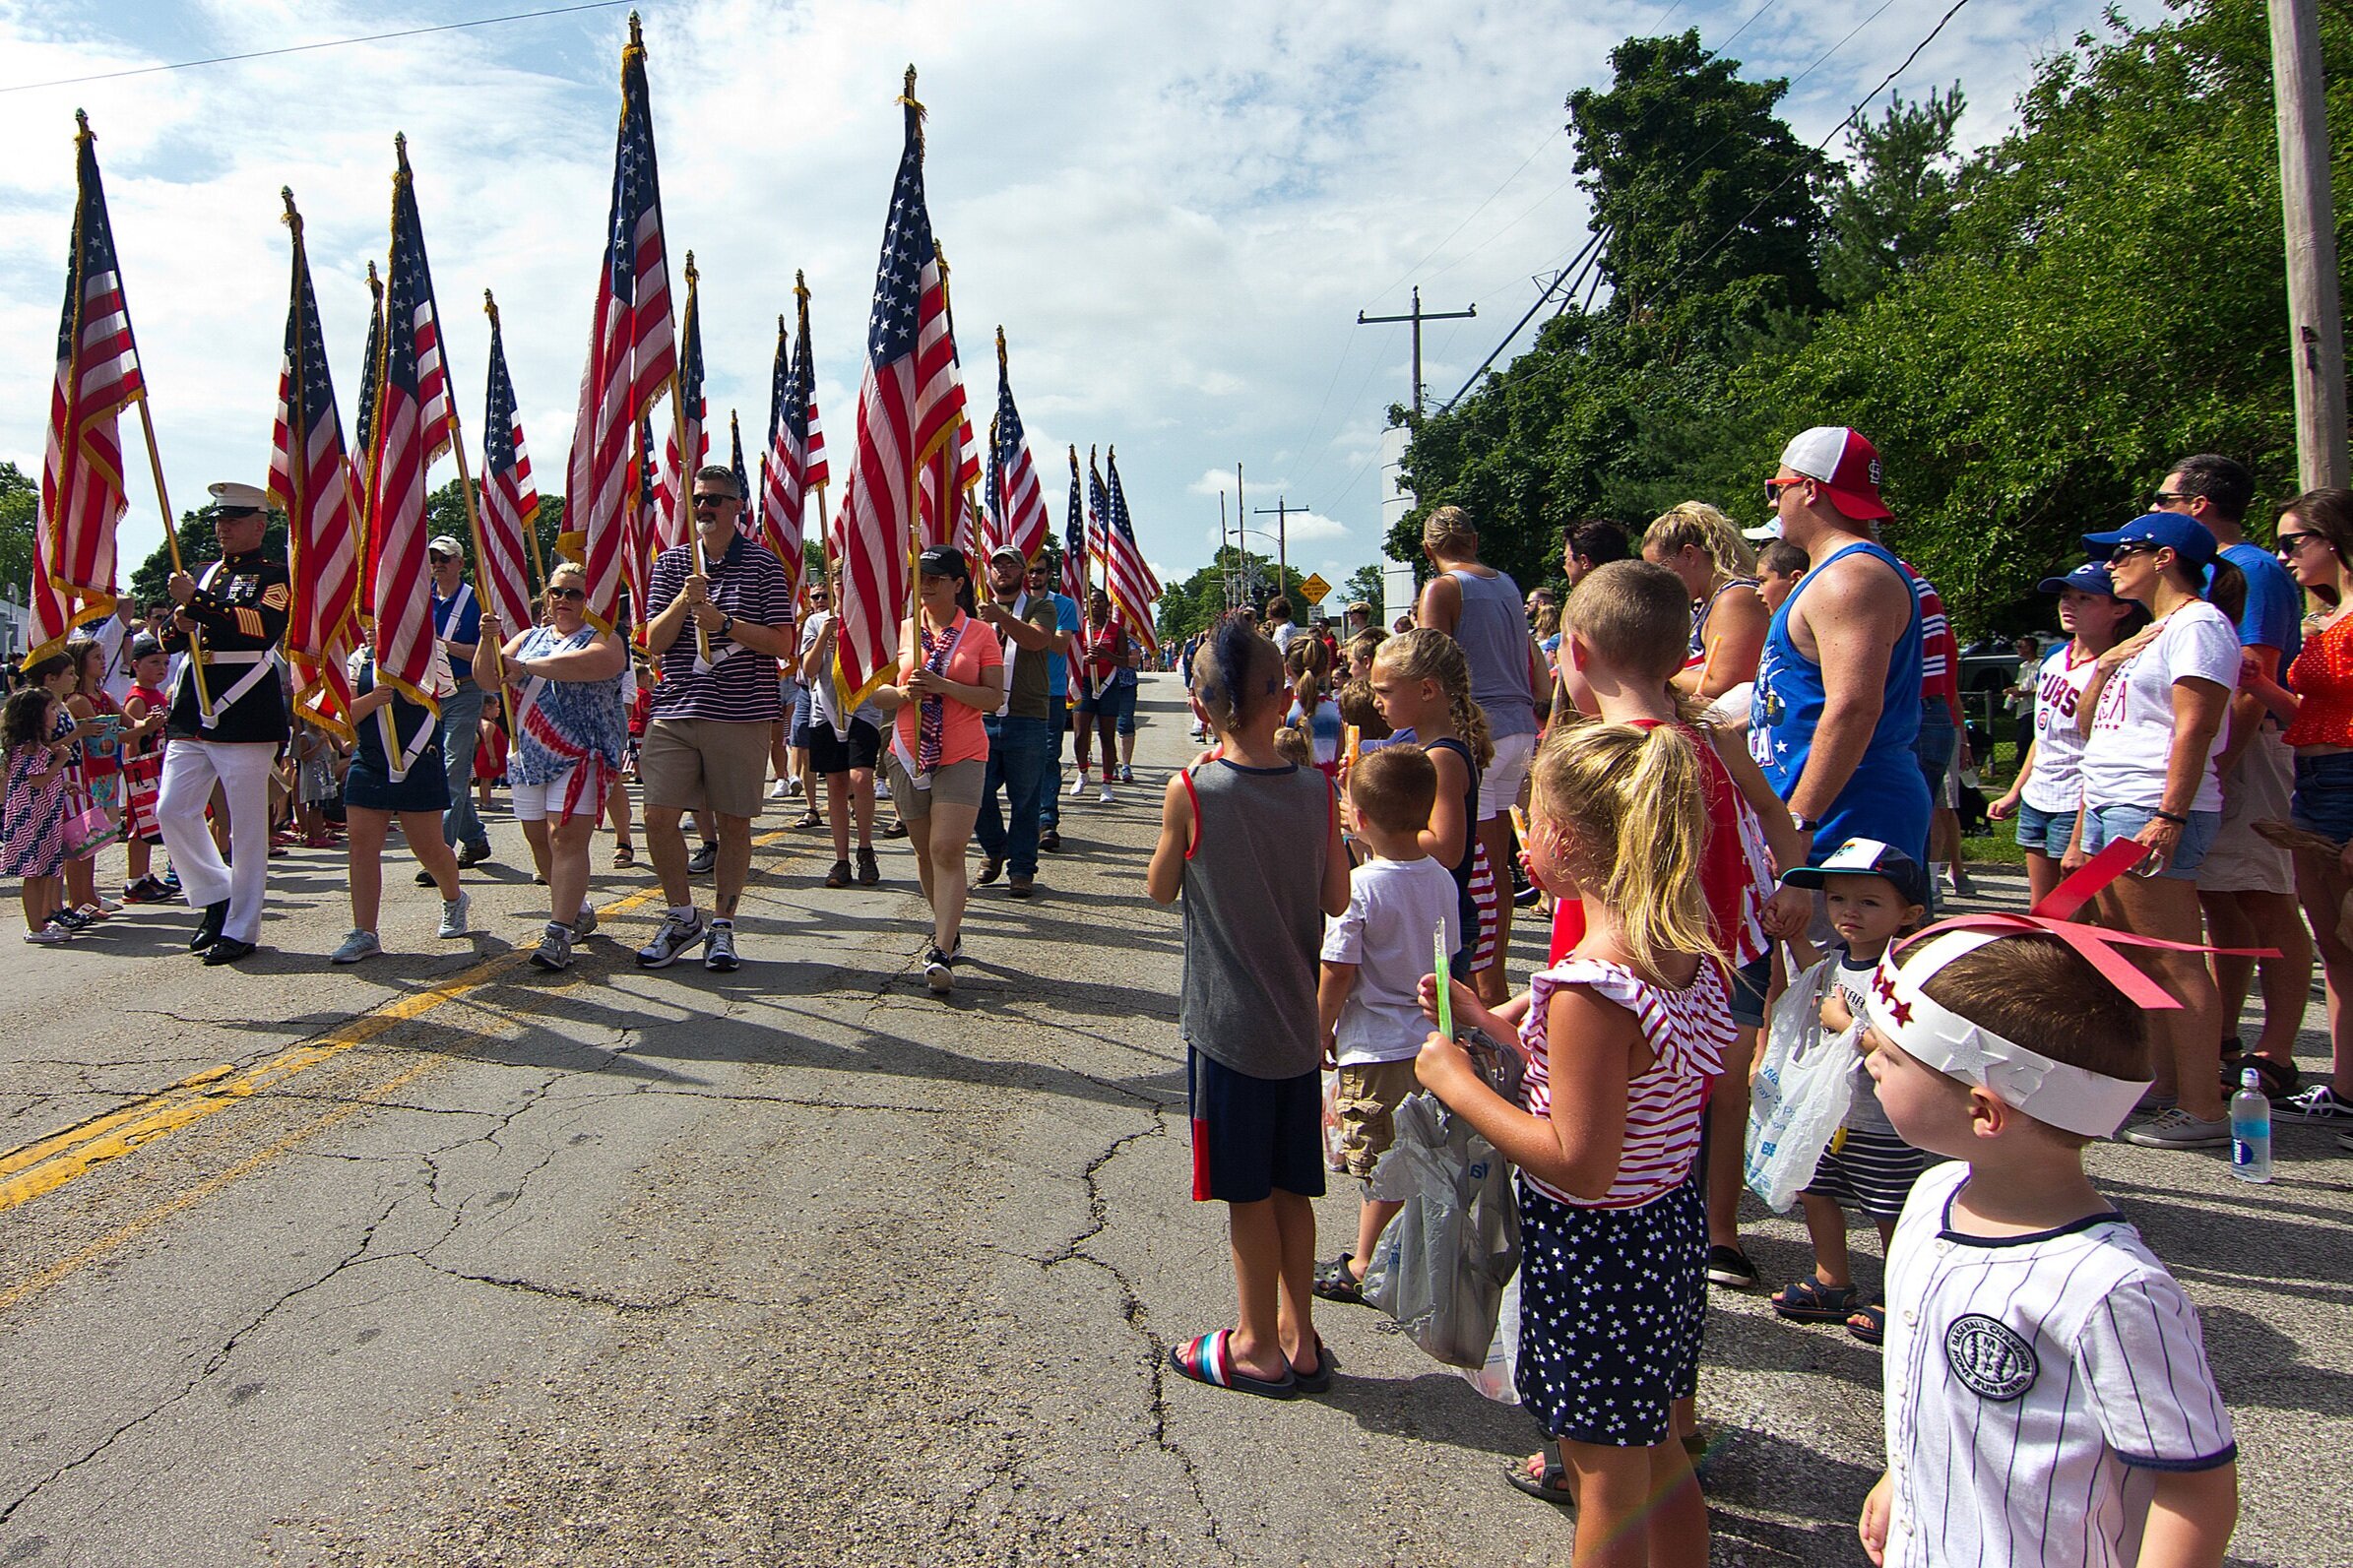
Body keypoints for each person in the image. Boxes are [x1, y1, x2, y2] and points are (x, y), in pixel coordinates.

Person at [1413, 720, 1725, 1559]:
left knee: (1602, 1473)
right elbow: (1614, 1090)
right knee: (1656, 1445)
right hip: (1662, 1231)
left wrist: (1456, 1082)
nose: (1519, 832)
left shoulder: (1591, 988)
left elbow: (1579, 1163)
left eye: (1528, 815)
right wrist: (1488, 1024)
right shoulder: (1676, 947)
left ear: (1569, 838)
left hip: (1600, 1247)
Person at [1854, 928, 2238, 1568]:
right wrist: (1911, 1476)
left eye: (1890, 1057)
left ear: (1985, 1110)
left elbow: (2194, 1486)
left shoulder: (2111, 1290)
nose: (1868, 1058)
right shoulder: (1932, 1194)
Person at [1549, 561, 1806, 1297]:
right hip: (1707, 973)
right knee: (1698, 1115)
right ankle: (1712, 1241)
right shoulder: (1707, 733)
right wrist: (1794, 886)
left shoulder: (1602, 754)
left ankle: (1631, 1324)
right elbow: (1777, 816)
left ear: (1578, 649)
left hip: (1616, 985)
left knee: (1612, 1155)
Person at [1146, 620, 1350, 1400]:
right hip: (1297, 1026)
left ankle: (1255, 1341)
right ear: (1284, 693)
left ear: (1202, 704)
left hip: (1228, 1032)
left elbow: (1162, 887)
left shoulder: (1193, 789)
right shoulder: (1318, 790)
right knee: (1295, 1187)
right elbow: (1336, 896)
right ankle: (1300, 1334)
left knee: (1247, 1195)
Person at [2067, 512, 2244, 1150]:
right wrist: (2110, 657)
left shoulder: (2199, 624)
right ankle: (2163, 1087)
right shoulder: (2155, 629)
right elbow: (2088, 723)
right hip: (2116, 802)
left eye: (2122, 552)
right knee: (2129, 954)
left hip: (2151, 806)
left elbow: (2195, 727)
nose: (2112, 563)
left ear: (2166, 557)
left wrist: (2168, 815)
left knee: (2172, 956)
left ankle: (2202, 1102)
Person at [2151, 456, 2314, 1098]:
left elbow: (2252, 673)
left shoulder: (2253, 567)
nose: (2155, 506)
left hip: (2244, 751)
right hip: (2216, 754)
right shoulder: (2215, 569)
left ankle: (2276, 1050)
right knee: (2221, 896)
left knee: (2264, 894)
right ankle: (2222, 1034)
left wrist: (2216, 764)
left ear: (2197, 504)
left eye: (2163, 496)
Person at [1310, 744, 1462, 1304]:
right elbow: (1447, 958)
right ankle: (1404, 1252)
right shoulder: (1442, 879)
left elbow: (1338, 969)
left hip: (1374, 1046)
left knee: (1380, 1162)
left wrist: (1319, 1029)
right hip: (1428, 1041)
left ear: (1362, 818)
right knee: (1417, 1152)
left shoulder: (1362, 887)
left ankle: (1367, 1262)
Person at [1766, 840, 1934, 1345]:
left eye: (1869, 902)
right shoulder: (1839, 961)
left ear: (1911, 913)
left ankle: (1899, 1294)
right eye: (1837, 900)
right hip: (1830, 1113)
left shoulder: (1908, 972)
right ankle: (1830, 1279)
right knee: (1817, 1191)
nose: (1849, 912)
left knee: (1888, 1207)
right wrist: (1787, 937)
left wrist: (1846, 1028)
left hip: (1885, 1116)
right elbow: (1809, 975)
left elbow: (1907, 1041)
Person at [635, 467, 795, 973]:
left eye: (715, 500)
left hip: (740, 713)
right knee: (658, 817)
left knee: (733, 824)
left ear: (737, 507)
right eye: (698, 499)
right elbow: (653, 642)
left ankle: (723, 926)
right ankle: (683, 917)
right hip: (677, 708)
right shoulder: (673, 564)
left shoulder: (765, 567)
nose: (704, 508)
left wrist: (725, 624)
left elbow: (781, 644)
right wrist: (686, 600)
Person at [1751, 426, 1930, 868]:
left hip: (1849, 819)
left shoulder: (1849, 577)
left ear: (1809, 490)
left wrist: (1799, 821)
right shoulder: (1834, 572)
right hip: (1830, 814)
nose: (1773, 503)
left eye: (1777, 488)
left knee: (1847, 942)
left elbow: (1853, 708)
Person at [2235, 487, 2353, 1138]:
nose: (2283, 556)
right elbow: (2313, 715)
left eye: (2292, 542)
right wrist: (2259, 686)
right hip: (2315, 775)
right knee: (2335, 944)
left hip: (2348, 781)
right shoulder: (2322, 618)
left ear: (2333, 539)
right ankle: (2344, 1085)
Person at [156, 481, 291, 966]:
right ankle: (214, 890)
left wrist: (198, 605)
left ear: (258, 525)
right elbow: (171, 640)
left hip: (245, 706)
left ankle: (242, 926)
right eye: (219, 521)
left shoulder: (274, 575)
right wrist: (179, 620)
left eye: (232, 521)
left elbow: (263, 626)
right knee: (172, 809)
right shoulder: (207, 573)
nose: (222, 528)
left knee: (247, 827)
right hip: (195, 705)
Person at [1416, 505, 1543, 1003]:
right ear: (1474, 539)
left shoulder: (1442, 590)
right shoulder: (1507, 583)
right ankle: (1493, 975)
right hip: (1516, 726)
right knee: (1495, 863)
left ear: (1430, 551)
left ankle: (1481, 986)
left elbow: (1435, 666)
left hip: (1477, 731)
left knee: (1468, 868)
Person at [478, 560, 629, 972]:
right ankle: (576, 908)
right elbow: (489, 678)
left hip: (582, 752)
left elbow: (591, 666)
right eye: (557, 592)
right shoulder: (528, 637)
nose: (563, 600)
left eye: (575, 593)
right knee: (537, 839)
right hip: (529, 753)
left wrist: (525, 668)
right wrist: (486, 642)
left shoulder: (605, 638)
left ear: (590, 600)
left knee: (565, 838)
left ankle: (558, 932)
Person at [878, 546, 1003, 992]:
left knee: (947, 849)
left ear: (958, 583)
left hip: (962, 752)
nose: (925, 584)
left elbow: (993, 697)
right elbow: (878, 694)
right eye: (919, 576)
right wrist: (904, 694)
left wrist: (944, 686)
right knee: (924, 851)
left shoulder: (981, 633)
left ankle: (942, 948)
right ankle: (948, 924)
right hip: (907, 753)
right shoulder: (903, 630)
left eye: (935, 576)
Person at [1989, 565, 2143, 906]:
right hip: (2038, 796)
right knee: (2040, 908)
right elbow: (2042, 735)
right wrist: (2016, 792)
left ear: (2120, 609)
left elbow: (2100, 752)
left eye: (2085, 598)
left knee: (2074, 908)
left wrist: (2078, 839)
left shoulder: (2117, 666)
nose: (2068, 605)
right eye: (2065, 596)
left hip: (2077, 801)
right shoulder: (2056, 657)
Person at [329, 635, 470, 963]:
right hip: (371, 760)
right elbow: (343, 715)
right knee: (361, 845)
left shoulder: (428, 650)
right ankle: (365, 933)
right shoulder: (359, 659)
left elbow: (442, 696)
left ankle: (454, 899)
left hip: (418, 756)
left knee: (428, 848)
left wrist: (406, 684)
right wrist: (374, 698)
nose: (370, 630)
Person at [1369, 628, 1488, 978]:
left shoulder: (1441, 758)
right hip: (1426, 912)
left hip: (1439, 921)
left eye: (1385, 692)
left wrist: (1381, 827)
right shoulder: (1426, 750)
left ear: (1426, 689)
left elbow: (1448, 849)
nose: (1376, 702)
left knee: (1434, 1024)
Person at [973, 545, 1068, 898]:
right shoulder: (977, 612)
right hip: (981, 714)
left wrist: (1001, 617)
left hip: (1027, 715)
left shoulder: (1040, 607)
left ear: (1023, 573)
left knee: (1025, 799)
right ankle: (995, 847)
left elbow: (1037, 640)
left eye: (1010, 566)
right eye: (997, 566)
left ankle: (1022, 869)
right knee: (976, 791)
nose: (1003, 572)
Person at [797, 575, 885, 891]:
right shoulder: (815, 622)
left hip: (861, 707)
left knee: (861, 778)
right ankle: (841, 858)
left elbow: (882, 661)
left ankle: (866, 849)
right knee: (835, 783)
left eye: (847, 583)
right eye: (837, 585)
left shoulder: (870, 620)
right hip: (825, 711)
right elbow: (807, 670)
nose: (841, 591)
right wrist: (824, 635)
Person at [1641, 501, 1766, 707]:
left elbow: (1723, 684)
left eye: (1660, 569)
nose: (1657, 581)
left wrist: (1646, 671)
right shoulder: (1713, 602)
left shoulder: (1735, 599)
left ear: (1689, 555)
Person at [422, 534, 494, 873]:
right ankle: (475, 838)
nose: (438, 564)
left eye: (445, 559)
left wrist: (444, 646)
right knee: (438, 769)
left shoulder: (475, 601)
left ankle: (440, 854)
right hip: (430, 692)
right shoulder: (424, 599)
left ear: (460, 563)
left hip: (465, 690)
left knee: (453, 769)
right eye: (434, 558)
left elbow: (487, 651)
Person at [2, 682, 77, 944]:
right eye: (51, 709)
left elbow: (35, 780)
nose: (56, 713)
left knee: (43, 871)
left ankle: (41, 922)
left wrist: (63, 784)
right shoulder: (31, 748)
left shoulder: (35, 747)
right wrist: (59, 763)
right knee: (34, 874)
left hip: (41, 817)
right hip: (31, 821)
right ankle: (35, 926)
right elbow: (36, 781)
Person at [63, 636, 124, 919]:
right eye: (96, 657)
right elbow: (111, 735)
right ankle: (79, 899)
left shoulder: (104, 697)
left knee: (95, 838)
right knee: (84, 837)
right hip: (86, 774)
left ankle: (89, 895)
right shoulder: (78, 701)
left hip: (105, 771)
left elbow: (126, 723)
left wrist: (149, 723)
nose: (102, 661)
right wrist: (140, 728)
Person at [1032, 555, 1081, 848]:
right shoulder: (1010, 606)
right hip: (1013, 691)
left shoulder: (1062, 605)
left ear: (1049, 574)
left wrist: (1025, 630)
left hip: (1050, 691)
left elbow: (1061, 645)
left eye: (1038, 571)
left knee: (1049, 756)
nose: (1032, 576)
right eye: (1028, 571)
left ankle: (1047, 820)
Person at [1069, 591, 1136, 802]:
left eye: (1099, 601)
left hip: (1109, 684)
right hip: (1085, 684)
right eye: (1091, 601)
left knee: (1107, 736)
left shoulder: (1117, 631)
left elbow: (1125, 661)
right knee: (1080, 734)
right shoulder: (1080, 628)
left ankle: (1107, 783)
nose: (1095, 605)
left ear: (1107, 605)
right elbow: (1070, 655)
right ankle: (1082, 773)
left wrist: (1106, 655)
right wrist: (1084, 658)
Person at [119, 635, 171, 903]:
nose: (161, 668)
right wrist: (138, 772)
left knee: (150, 826)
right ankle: (134, 879)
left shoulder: (158, 695)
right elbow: (132, 738)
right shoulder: (138, 698)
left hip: (158, 767)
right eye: (154, 662)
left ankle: (146, 874)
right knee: (139, 828)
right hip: (142, 772)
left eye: (164, 662)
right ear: (136, 665)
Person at [1283, 636, 1343, 781]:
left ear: (1287, 669)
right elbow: (1339, 760)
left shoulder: (1283, 708)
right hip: (1329, 791)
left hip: (1291, 789)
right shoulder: (1337, 710)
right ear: (1324, 670)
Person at [1561, 519, 1629, 592]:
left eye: (1566, 558)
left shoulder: (1590, 601)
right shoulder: (1634, 593)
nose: (1564, 566)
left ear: (1584, 561)